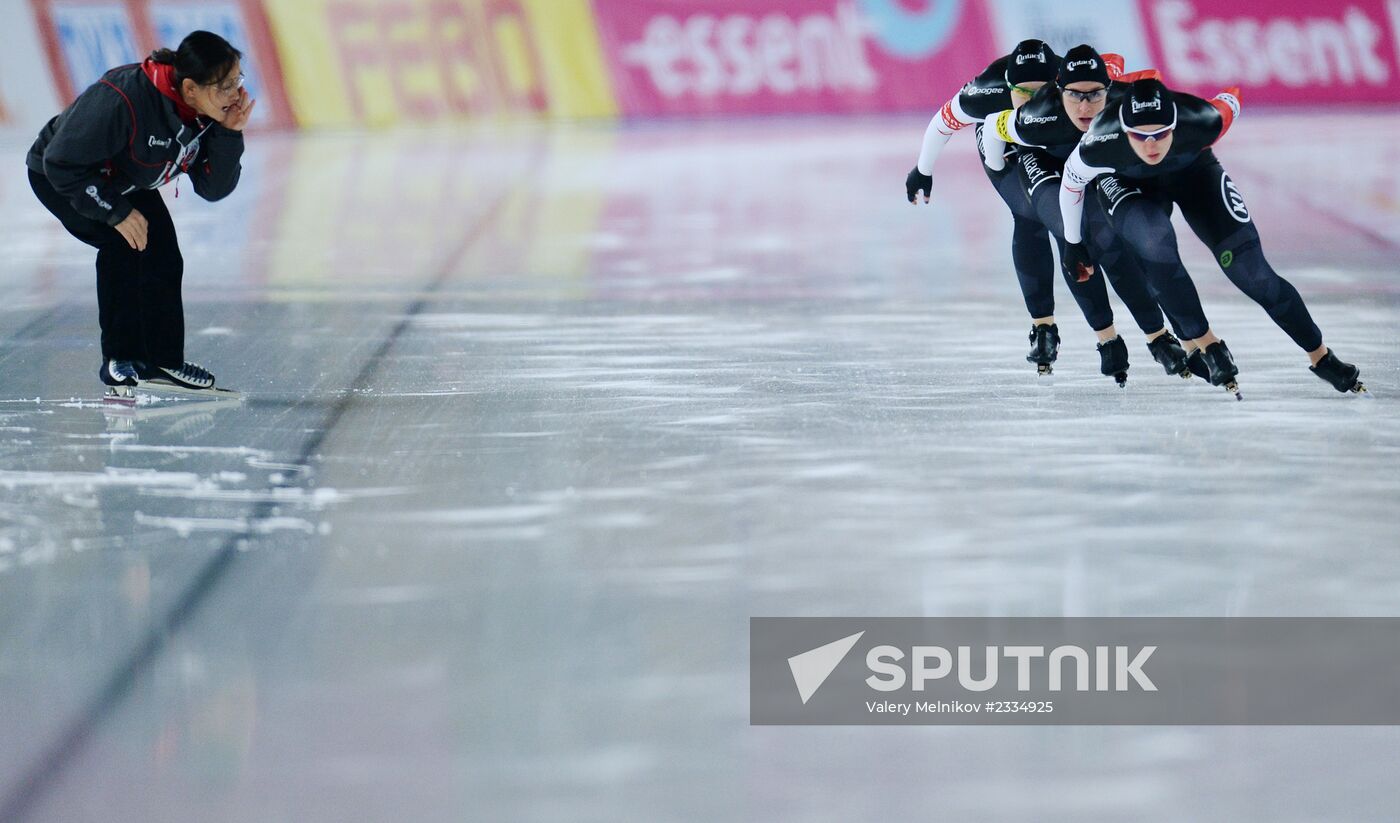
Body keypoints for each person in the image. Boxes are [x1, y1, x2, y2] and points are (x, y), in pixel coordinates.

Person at [1057, 77, 1365, 395]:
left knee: (1253, 273)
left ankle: (1322, 357)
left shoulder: (1204, 120)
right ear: (1123, 129)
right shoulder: (1099, 141)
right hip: (1128, 185)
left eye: (1161, 134)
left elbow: (1233, 96)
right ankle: (1208, 346)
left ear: (1176, 124)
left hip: (1194, 175)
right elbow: (1071, 184)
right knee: (1153, 241)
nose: (1151, 145)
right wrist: (1073, 243)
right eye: (1139, 136)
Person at [906, 40, 1177, 382]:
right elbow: (944, 124)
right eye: (1024, 93)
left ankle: (1147, 335)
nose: (1033, 101)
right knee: (1036, 216)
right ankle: (1048, 328)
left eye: (1043, 92)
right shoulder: (984, 94)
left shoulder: (1075, 90)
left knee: (1095, 229)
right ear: (1008, 87)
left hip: (1058, 142)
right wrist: (923, 170)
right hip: (1004, 146)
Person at [27, 30, 253, 399]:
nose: (235, 94)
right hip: (65, 176)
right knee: (123, 244)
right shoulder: (123, 97)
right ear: (191, 88)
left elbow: (213, 189)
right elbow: (61, 162)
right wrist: (115, 212)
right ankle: (120, 360)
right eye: (225, 85)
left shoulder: (207, 111)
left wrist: (230, 135)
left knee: (163, 255)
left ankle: (162, 362)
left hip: (125, 180)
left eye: (237, 81)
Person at [978, 44, 1191, 384]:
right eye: (1076, 96)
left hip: (1076, 158)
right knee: (1061, 228)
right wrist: (992, 164)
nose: (1085, 103)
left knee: (1105, 235)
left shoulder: (1108, 98)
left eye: (1094, 95)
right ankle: (1064, 330)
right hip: (1027, 154)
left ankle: (1155, 335)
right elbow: (977, 125)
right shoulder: (1028, 114)